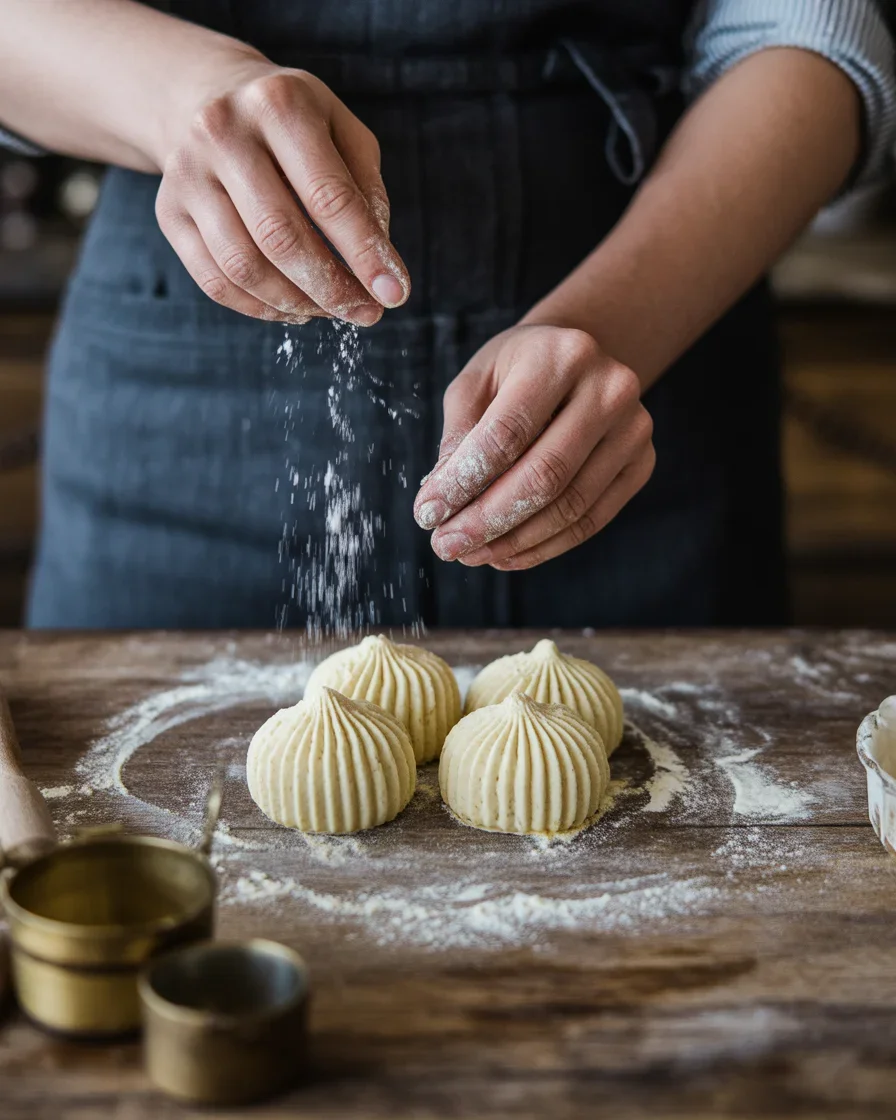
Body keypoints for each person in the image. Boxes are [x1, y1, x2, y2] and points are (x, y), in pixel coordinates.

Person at [1, 0, 894, 631]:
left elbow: (811, 30)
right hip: (172, 412)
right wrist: (187, 92)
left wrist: (614, 326)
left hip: (646, 362)